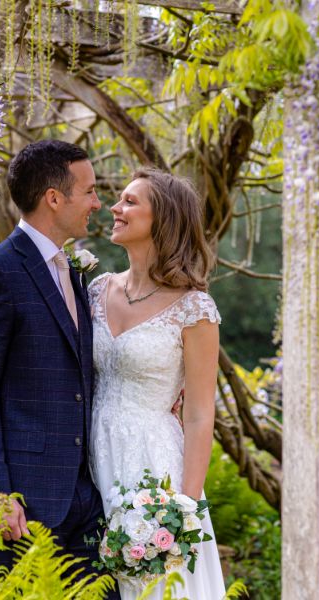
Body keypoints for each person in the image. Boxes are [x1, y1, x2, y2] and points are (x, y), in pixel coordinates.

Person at [0, 139, 118, 597]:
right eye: (89, 191)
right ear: (54, 197)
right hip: (22, 506)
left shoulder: (71, 271)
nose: (97, 202)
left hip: (85, 497)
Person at [88, 168, 226, 599]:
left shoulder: (194, 309)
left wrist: (183, 508)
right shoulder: (96, 289)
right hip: (93, 453)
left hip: (153, 466)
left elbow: (201, 413)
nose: (115, 207)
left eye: (130, 202)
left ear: (162, 220)